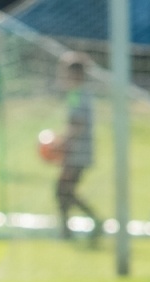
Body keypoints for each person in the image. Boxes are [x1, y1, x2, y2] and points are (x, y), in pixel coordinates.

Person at [54, 53, 100, 242]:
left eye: (67, 73)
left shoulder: (81, 95)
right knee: (63, 190)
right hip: (73, 150)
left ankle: (93, 222)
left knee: (63, 190)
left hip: (78, 152)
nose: (63, 76)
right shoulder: (75, 94)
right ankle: (67, 229)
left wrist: (61, 142)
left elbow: (78, 124)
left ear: (77, 74)